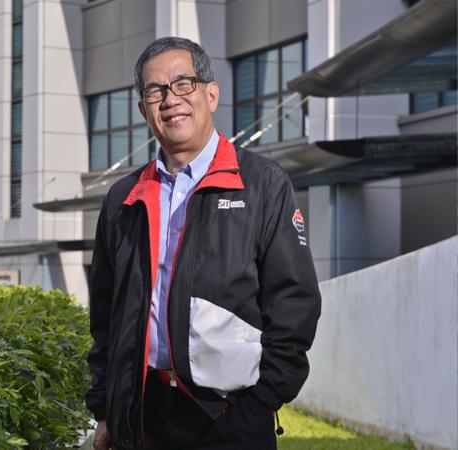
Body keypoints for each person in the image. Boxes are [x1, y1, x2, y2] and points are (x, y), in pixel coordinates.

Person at [85, 37, 321, 450]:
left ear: (211, 94)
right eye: (155, 91)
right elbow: (106, 317)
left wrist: (262, 401)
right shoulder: (124, 198)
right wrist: (107, 408)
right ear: (143, 110)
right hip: (142, 416)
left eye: (183, 84)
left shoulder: (262, 184)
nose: (169, 100)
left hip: (231, 417)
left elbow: (294, 302)